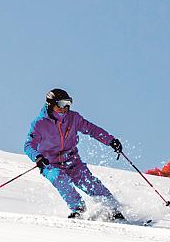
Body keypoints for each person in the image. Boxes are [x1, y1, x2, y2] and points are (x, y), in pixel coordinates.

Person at [23, 88, 126, 220]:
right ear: (50, 104)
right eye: (60, 104)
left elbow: (92, 129)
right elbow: (28, 145)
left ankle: (113, 209)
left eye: (67, 103)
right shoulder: (39, 124)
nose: (64, 108)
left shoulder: (73, 118)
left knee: (89, 182)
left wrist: (111, 141)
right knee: (58, 178)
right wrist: (37, 157)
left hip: (72, 161)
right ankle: (78, 208)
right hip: (50, 163)